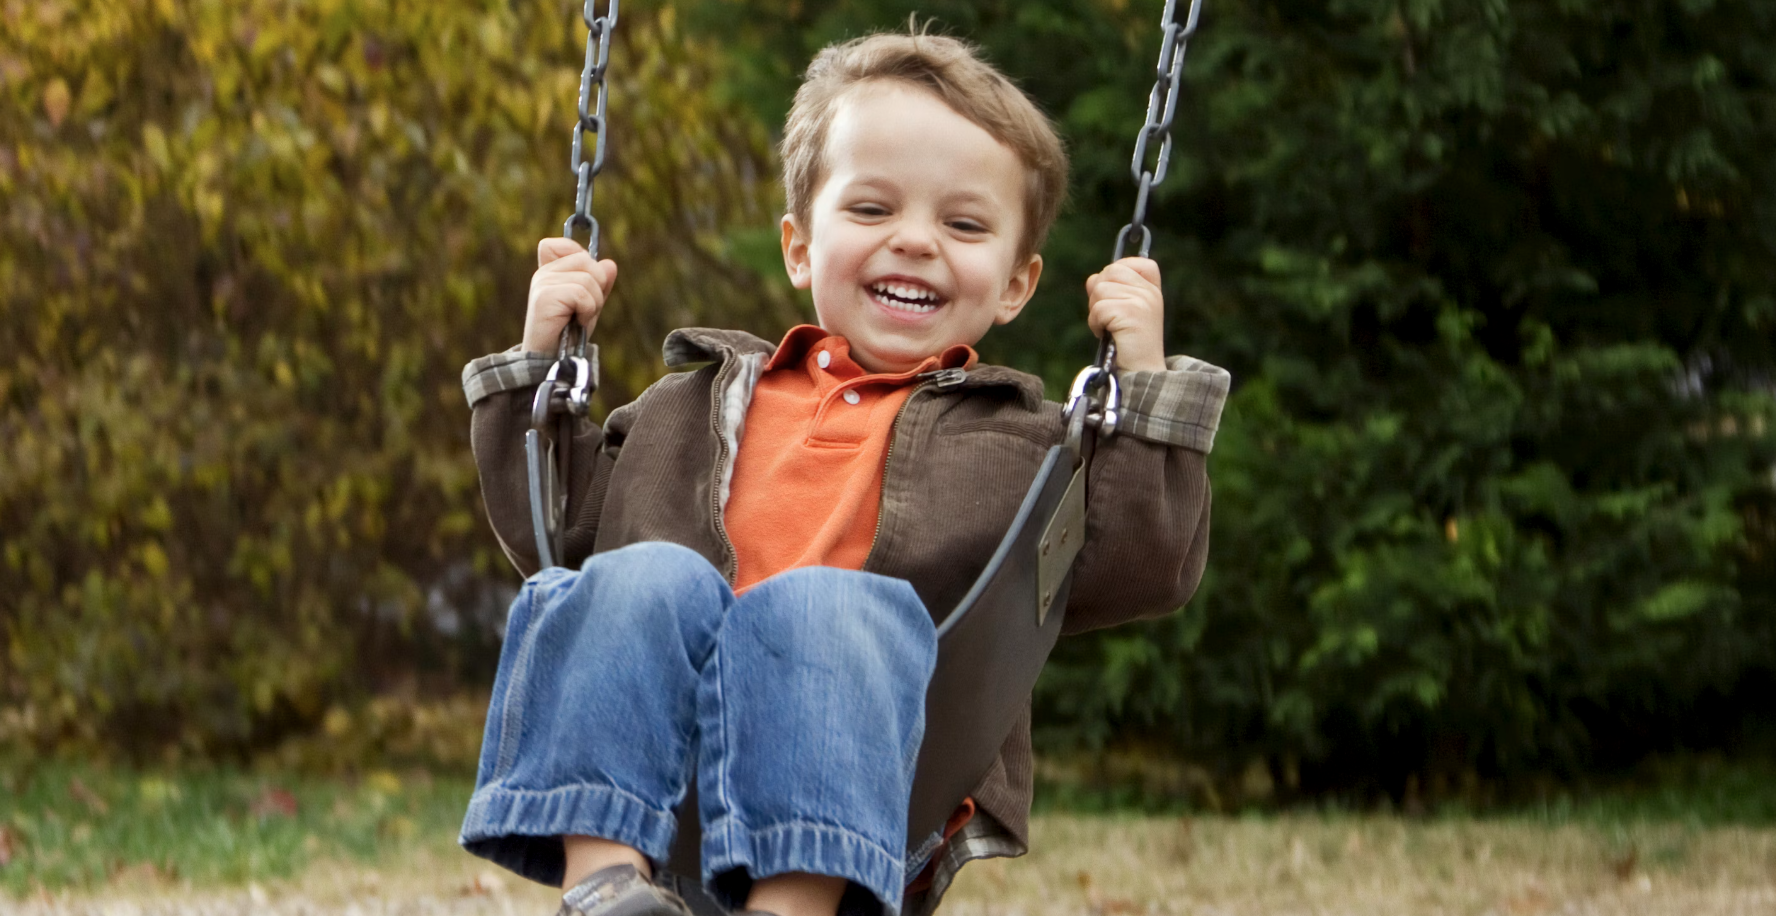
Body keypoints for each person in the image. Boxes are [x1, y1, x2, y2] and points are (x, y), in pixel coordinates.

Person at [457, 30, 1229, 916]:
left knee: (824, 608)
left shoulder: (1023, 443)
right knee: (638, 578)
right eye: (871, 210)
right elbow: (552, 533)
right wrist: (536, 365)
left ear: (1017, 284)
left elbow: (1140, 563)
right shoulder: (686, 404)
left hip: (878, 748)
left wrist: (1145, 381)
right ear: (798, 246)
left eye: (964, 223)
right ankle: (606, 883)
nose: (915, 242)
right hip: (666, 731)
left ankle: (793, 906)